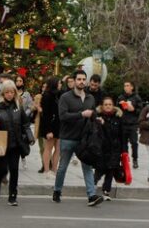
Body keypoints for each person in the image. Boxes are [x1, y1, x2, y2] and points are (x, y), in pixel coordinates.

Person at [52, 69, 103, 207]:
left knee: (87, 167)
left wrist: (97, 119)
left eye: (83, 79)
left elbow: (91, 115)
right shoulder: (65, 97)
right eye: (78, 79)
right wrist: (81, 114)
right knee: (62, 167)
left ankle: (91, 196)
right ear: (74, 81)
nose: (81, 82)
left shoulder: (90, 98)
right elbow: (63, 116)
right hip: (68, 138)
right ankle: (57, 191)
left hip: (84, 139)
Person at [0, 79, 34, 206]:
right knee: (2, 170)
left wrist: (30, 137)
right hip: (1, 143)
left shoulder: (18, 106)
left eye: (11, 92)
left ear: (14, 93)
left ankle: (13, 196)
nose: (9, 94)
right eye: (7, 92)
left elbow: (25, 123)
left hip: (15, 143)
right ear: (3, 93)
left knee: (14, 170)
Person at [95, 96, 127, 200]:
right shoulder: (98, 117)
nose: (108, 106)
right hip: (102, 149)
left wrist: (125, 151)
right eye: (106, 104)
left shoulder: (118, 118)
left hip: (115, 149)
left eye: (110, 104)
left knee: (111, 171)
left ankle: (106, 191)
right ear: (102, 106)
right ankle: (91, 188)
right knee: (99, 170)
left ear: (113, 106)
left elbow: (123, 135)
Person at [116, 81, 142, 169]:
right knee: (123, 143)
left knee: (134, 142)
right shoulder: (120, 97)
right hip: (123, 124)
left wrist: (133, 109)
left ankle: (135, 159)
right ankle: (125, 160)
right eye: (124, 86)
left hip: (133, 124)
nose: (126, 87)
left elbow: (140, 111)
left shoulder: (137, 98)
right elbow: (116, 109)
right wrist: (120, 106)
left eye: (127, 86)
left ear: (132, 87)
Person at [40, 76, 61, 177]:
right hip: (50, 126)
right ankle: (47, 170)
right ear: (54, 83)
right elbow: (45, 114)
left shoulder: (58, 95)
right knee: (48, 148)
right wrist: (48, 130)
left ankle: (54, 170)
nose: (61, 85)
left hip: (58, 125)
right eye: (59, 83)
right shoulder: (47, 95)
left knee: (58, 148)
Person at [15, 75, 33, 170]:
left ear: (23, 82)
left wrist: (24, 115)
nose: (18, 82)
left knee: (22, 141)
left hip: (23, 121)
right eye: (17, 81)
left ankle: (23, 158)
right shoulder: (12, 93)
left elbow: (30, 107)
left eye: (20, 81)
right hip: (13, 121)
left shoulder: (27, 94)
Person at [33, 81, 47, 173]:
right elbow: (33, 108)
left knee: (46, 147)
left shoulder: (50, 97)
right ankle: (44, 164)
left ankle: (47, 164)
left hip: (47, 125)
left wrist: (40, 109)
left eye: (46, 87)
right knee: (41, 147)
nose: (44, 88)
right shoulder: (38, 96)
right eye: (43, 87)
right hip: (39, 123)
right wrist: (35, 106)